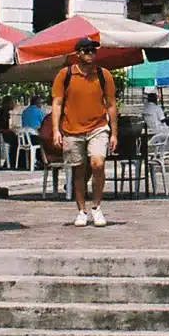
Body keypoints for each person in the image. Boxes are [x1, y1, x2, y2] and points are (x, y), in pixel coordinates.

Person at [51, 38, 118, 226]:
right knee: (79, 170)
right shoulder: (65, 75)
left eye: (93, 51)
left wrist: (114, 133)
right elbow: (57, 103)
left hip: (98, 127)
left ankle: (96, 207)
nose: (90, 54)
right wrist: (56, 130)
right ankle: (81, 210)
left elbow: (111, 104)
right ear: (78, 53)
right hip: (72, 128)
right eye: (86, 50)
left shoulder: (103, 75)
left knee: (98, 163)